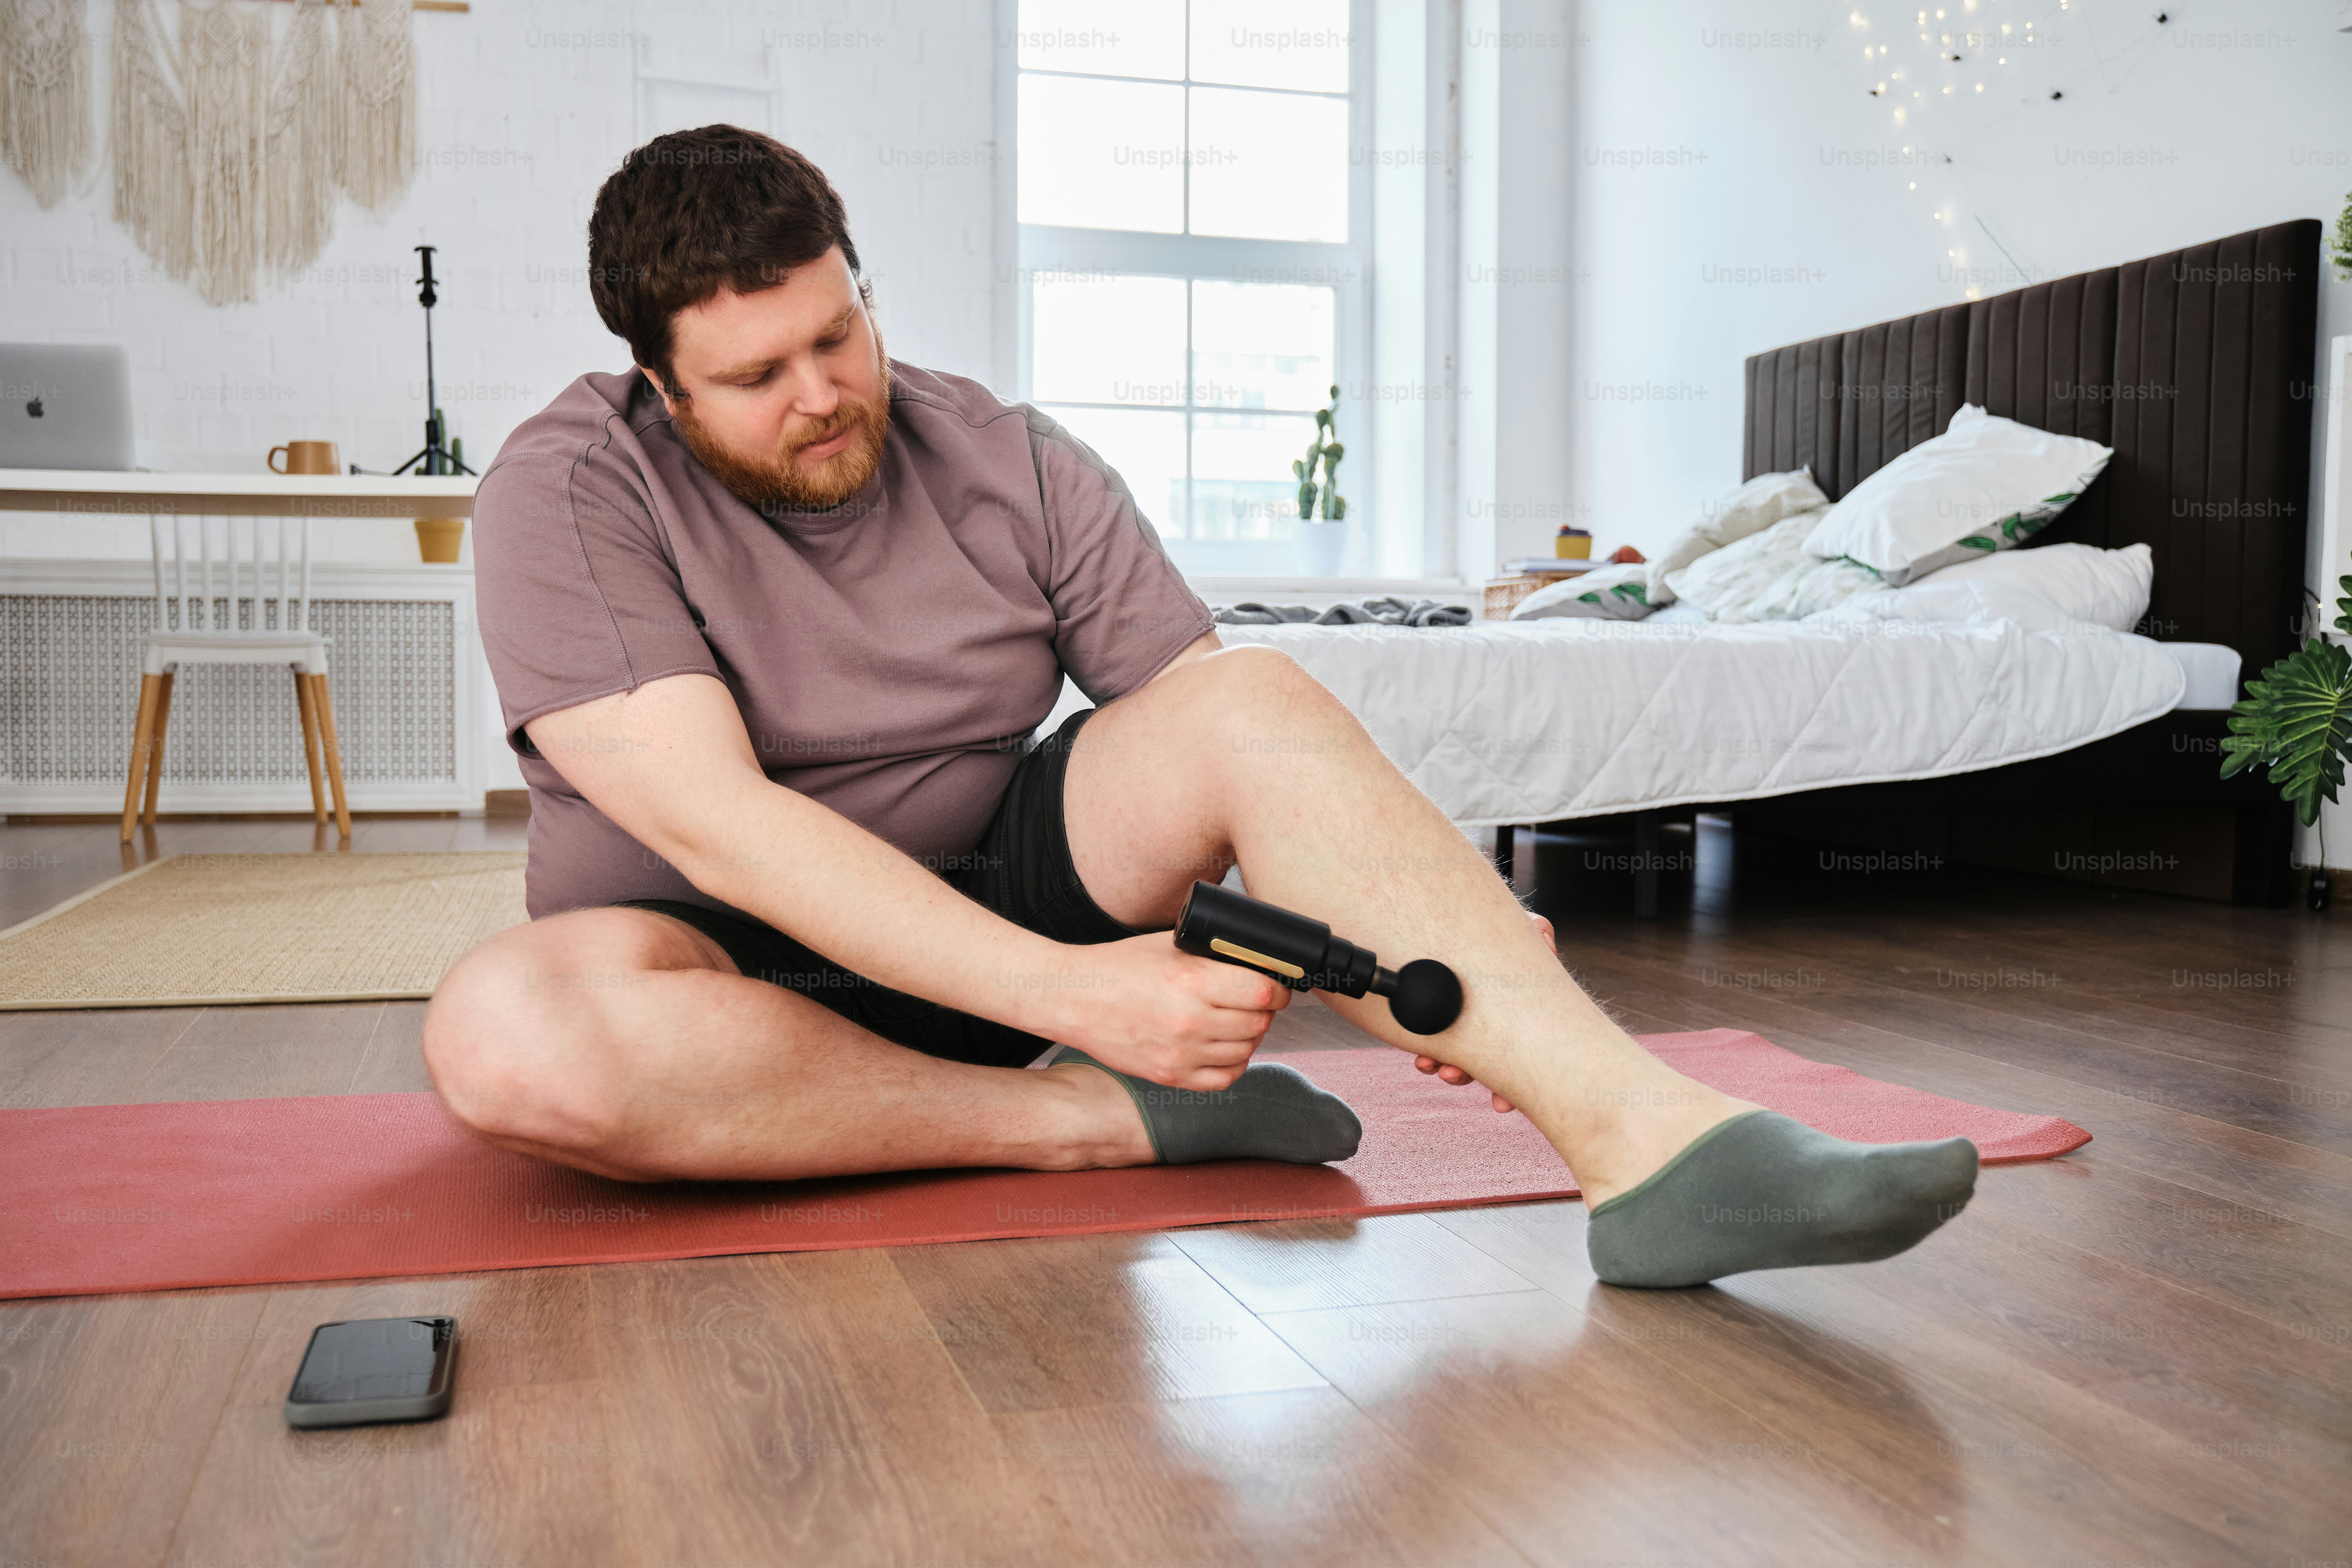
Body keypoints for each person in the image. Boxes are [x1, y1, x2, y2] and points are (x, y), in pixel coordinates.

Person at [424, 125, 1976, 1288]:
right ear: (660, 385)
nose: (820, 395)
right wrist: (1087, 1013)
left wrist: (1430, 948)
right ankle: (1083, 1124)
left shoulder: (1012, 459)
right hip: (714, 959)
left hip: (998, 903)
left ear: (862, 291)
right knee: (509, 1043)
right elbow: (731, 833)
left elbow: (1231, 741)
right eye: (759, 376)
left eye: (837, 337)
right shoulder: (567, 488)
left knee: (1249, 690)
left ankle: (1653, 1152)